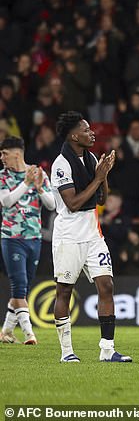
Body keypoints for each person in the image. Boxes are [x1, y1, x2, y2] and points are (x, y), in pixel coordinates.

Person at [51, 111, 130, 363]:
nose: (92, 133)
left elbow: (101, 200)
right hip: (69, 237)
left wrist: (104, 176)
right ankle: (67, 352)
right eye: (86, 130)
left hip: (93, 235)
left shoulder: (91, 157)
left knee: (106, 286)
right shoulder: (60, 165)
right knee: (64, 292)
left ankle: (107, 350)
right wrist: (98, 177)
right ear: (74, 135)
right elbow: (73, 203)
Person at [0, 137, 55, 344]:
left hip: (34, 237)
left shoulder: (38, 173)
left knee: (24, 288)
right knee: (19, 285)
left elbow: (51, 205)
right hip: (11, 237)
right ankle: (29, 333)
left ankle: (6, 331)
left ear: (17, 153)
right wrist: (26, 183)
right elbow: (6, 201)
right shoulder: (2, 176)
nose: (1, 158)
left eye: (4, 153)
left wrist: (39, 188)